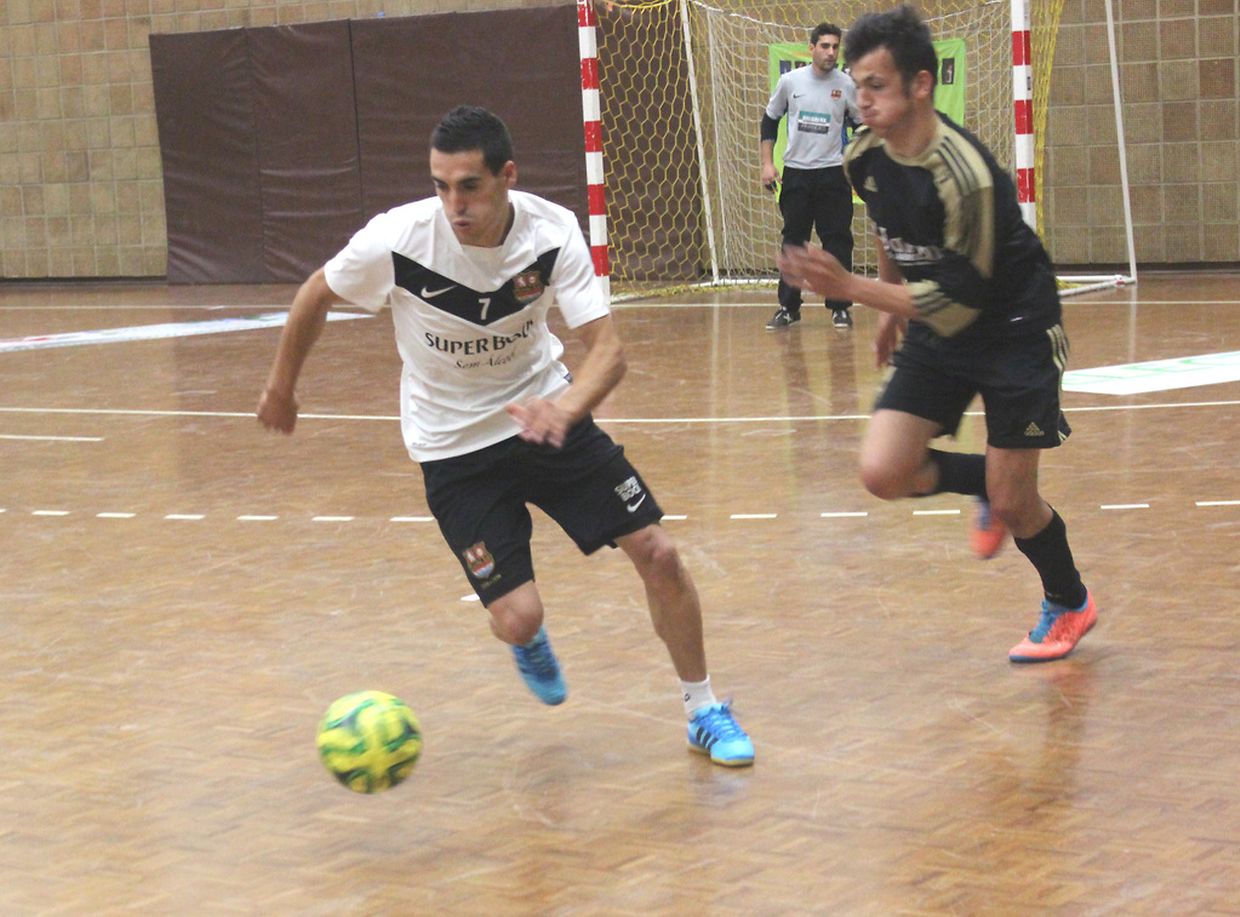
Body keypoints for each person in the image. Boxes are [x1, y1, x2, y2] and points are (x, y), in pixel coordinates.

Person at [257, 106, 754, 765]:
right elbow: (317, 292)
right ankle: (525, 637)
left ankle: (704, 709)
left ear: (507, 176)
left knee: (658, 551)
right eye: (440, 185)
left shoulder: (550, 232)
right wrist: (282, 386)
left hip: (547, 418)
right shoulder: (398, 239)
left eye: (469, 185)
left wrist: (567, 409)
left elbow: (608, 351)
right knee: (519, 616)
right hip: (453, 447)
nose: (453, 203)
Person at [778, 5, 1097, 663]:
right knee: (883, 471)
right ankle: (986, 481)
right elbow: (888, 226)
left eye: (875, 86)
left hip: (1011, 327)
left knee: (1018, 502)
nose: (859, 99)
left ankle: (1069, 601)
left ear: (920, 85)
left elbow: (959, 301)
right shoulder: (863, 153)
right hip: (931, 314)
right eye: (856, 85)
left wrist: (858, 290)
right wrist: (892, 307)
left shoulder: (966, 175)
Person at [760, 22, 859, 331]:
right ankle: (788, 307)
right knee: (794, 243)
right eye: (825, 46)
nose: (830, 52)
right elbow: (770, 119)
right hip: (797, 175)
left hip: (832, 175)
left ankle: (840, 307)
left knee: (838, 241)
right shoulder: (791, 82)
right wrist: (766, 163)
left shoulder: (846, 85)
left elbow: (861, 126)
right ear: (812, 48)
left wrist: (859, 163)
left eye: (835, 47)